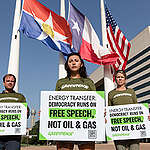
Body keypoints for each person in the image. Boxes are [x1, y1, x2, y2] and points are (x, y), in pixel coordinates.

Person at [55, 53, 96, 150]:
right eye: (70, 61)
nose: (73, 63)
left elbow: (96, 102)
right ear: (67, 65)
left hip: (85, 125)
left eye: (76, 61)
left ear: (81, 64)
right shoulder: (61, 82)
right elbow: (54, 102)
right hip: (65, 126)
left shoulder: (88, 82)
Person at [108, 70, 140, 150]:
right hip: (119, 130)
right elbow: (109, 109)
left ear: (125, 79)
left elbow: (137, 108)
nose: (120, 79)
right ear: (115, 79)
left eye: (122, 77)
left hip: (133, 128)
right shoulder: (111, 94)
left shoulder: (131, 91)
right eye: (118, 77)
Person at [0, 74, 29, 150]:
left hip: (13, 137)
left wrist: (26, 111)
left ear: (15, 83)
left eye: (12, 81)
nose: (10, 83)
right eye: (8, 81)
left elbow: (26, 114)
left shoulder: (20, 97)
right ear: (3, 83)